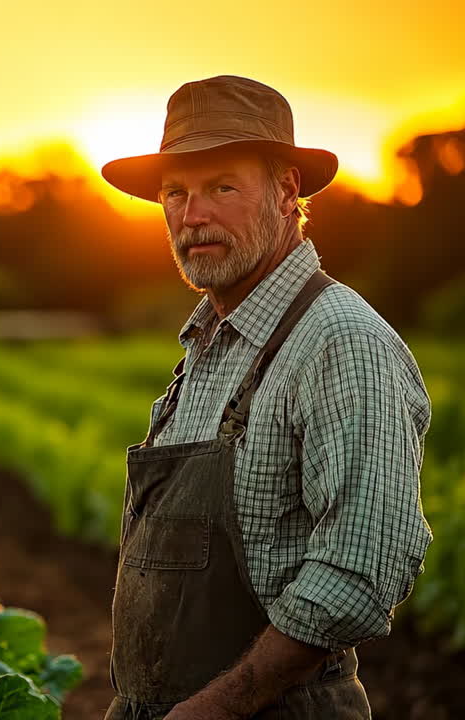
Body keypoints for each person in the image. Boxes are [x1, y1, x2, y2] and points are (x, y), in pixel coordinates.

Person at [97, 75, 433, 719]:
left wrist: (220, 707)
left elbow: (361, 575)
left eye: (222, 187)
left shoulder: (341, 342)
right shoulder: (205, 348)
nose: (192, 216)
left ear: (286, 193)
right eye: (175, 193)